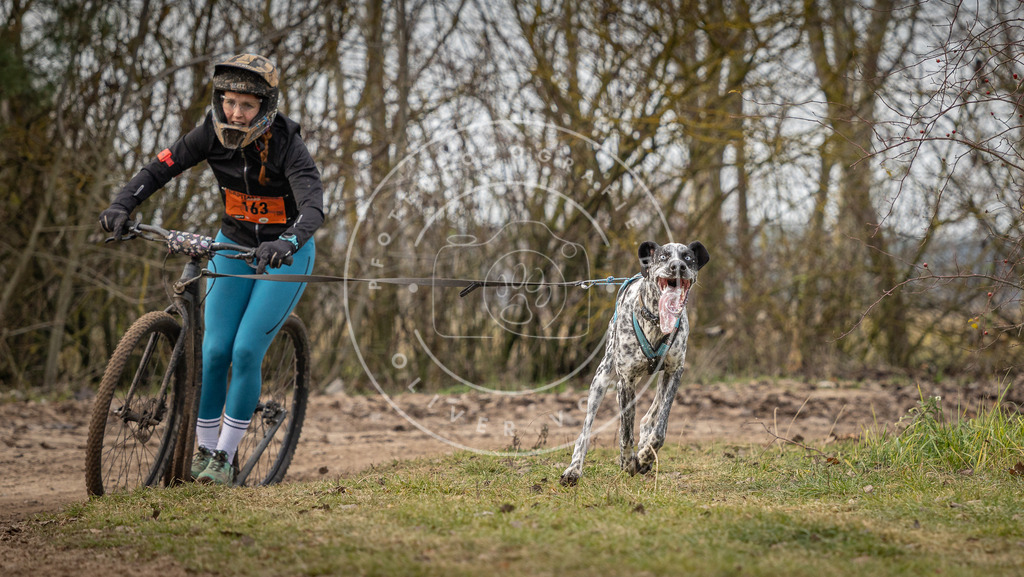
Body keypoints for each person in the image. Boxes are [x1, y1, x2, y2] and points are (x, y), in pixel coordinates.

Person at [99, 53, 324, 485]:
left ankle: (224, 456)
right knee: (215, 350)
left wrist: (287, 241)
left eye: (247, 105)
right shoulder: (209, 133)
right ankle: (203, 452)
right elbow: (161, 167)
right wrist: (123, 203)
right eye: (229, 102)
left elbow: (313, 207)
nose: (235, 113)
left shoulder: (287, 144)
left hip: (286, 253)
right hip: (234, 243)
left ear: (266, 107)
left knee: (244, 351)